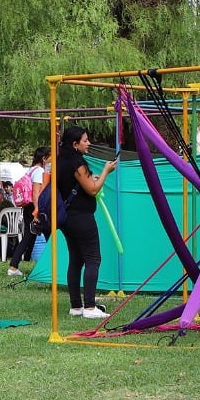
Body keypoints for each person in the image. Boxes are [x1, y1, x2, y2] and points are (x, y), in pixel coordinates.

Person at [55, 126, 117, 318]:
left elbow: (79, 185)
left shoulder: (61, 161)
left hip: (67, 219)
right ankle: (90, 307)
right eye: (85, 140)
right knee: (93, 259)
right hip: (81, 218)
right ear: (75, 144)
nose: (88, 143)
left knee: (76, 260)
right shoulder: (77, 162)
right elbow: (92, 189)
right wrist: (106, 171)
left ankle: (76, 306)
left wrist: (92, 179)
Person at [7, 147, 50, 276]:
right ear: (44, 159)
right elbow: (36, 193)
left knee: (29, 237)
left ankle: (14, 266)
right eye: (49, 157)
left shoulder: (30, 170)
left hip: (28, 208)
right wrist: (37, 211)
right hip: (34, 208)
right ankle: (14, 267)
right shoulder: (39, 171)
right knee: (47, 236)